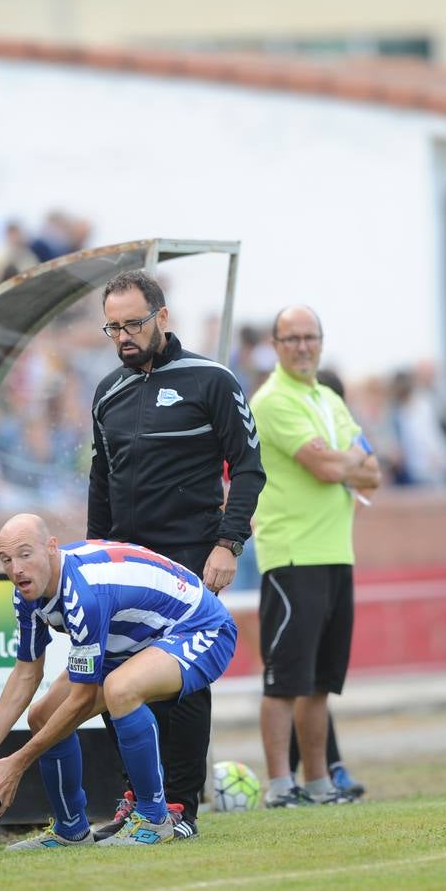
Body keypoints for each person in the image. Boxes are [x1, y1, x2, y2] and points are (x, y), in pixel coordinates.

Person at [86, 269, 264, 839]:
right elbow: (100, 480)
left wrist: (228, 542)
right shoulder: (107, 391)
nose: (122, 336)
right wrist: (93, 555)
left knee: (181, 684)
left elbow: (250, 468)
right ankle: (139, 797)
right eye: (112, 327)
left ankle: (181, 805)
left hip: (190, 555)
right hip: (125, 562)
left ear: (162, 317)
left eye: (132, 323)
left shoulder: (211, 380)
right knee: (118, 678)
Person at [0, 515, 238, 848]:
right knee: (42, 716)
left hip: (201, 629)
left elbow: (82, 699)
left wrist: (18, 762)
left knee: (121, 689)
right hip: (135, 639)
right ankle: (70, 831)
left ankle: (153, 819)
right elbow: (26, 673)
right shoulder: (26, 596)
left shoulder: (82, 594)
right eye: (6, 559)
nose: (16, 568)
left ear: (50, 548)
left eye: (24, 554)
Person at [249, 305, 379, 808]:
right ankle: (281, 785)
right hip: (291, 555)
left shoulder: (328, 398)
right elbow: (329, 469)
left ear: (320, 342)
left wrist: (342, 461)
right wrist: (346, 462)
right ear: (276, 345)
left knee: (321, 681)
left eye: (310, 337)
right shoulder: (272, 400)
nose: (303, 346)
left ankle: (320, 782)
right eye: (292, 338)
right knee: (285, 679)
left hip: (335, 553)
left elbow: (375, 472)